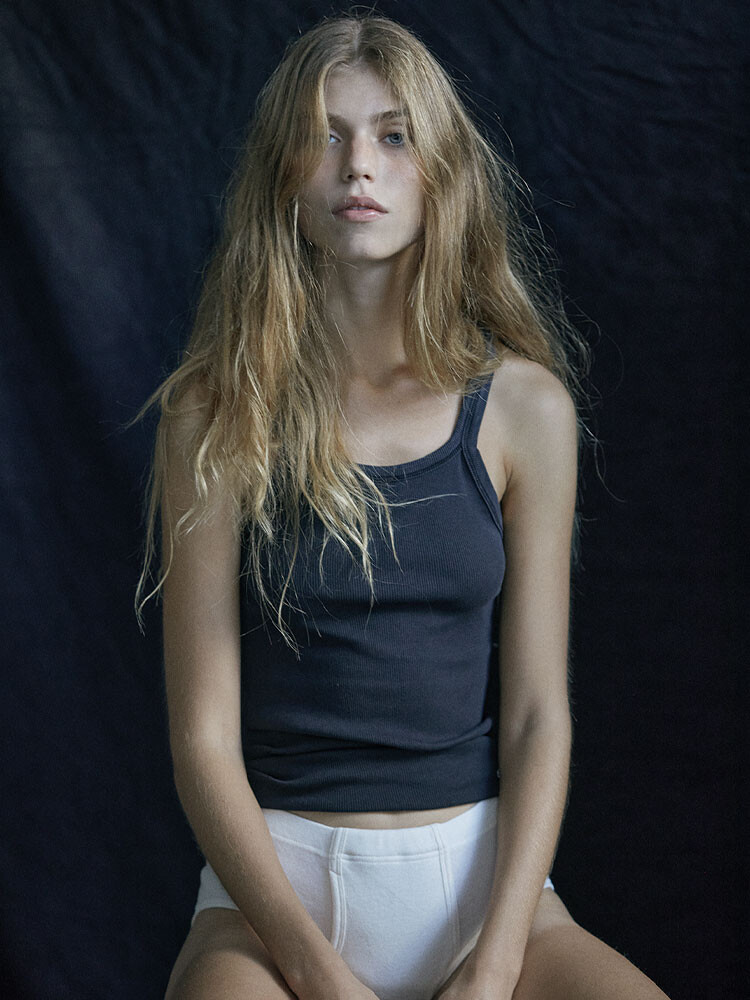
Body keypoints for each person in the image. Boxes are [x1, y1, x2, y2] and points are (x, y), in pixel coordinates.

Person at [137, 11, 671, 1000]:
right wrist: (318, 975)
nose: (359, 165)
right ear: (283, 177)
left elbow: (538, 716)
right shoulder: (214, 414)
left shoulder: (524, 409)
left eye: (393, 136)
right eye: (325, 135)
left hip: (484, 889)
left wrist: (497, 963)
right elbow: (202, 740)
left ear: (441, 174)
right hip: (274, 900)